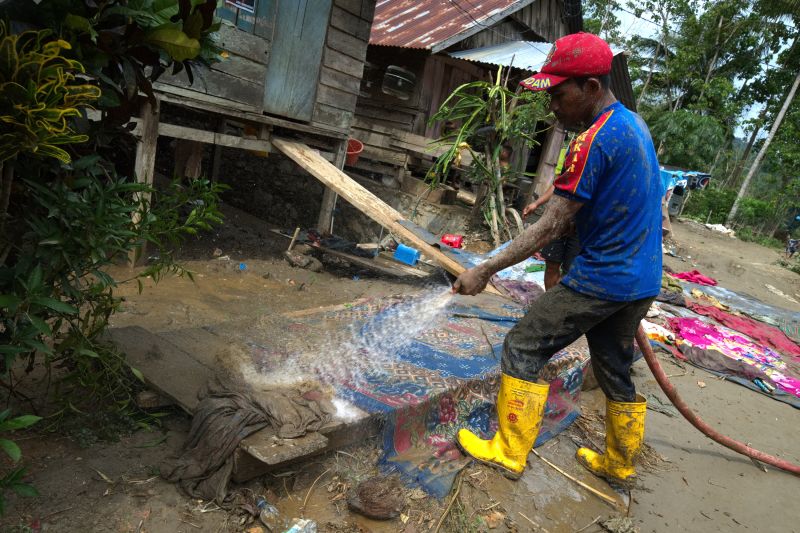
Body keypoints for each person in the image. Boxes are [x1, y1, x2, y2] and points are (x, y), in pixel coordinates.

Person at [452, 32, 663, 485]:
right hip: (642, 279)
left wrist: (484, 268)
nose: (552, 103)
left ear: (590, 87)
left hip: (603, 278)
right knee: (613, 366)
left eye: (558, 92)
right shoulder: (634, 125)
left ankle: (508, 451)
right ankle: (619, 463)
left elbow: (550, 226)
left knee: (523, 345)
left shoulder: (592, 141)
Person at [522, 184, 581, 290]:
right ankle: (548, 299)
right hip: (558, 219)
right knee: (551, 264)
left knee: (571, 270)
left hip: (582, 226)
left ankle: (562, 302)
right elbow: (557, 184)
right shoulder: (568, 167)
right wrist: (536, 203)